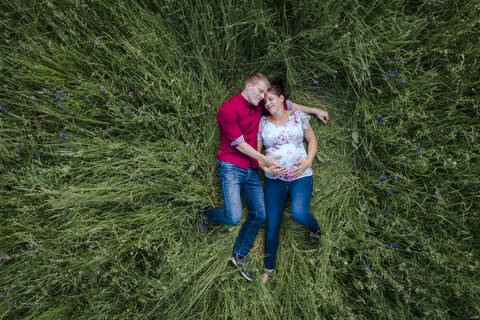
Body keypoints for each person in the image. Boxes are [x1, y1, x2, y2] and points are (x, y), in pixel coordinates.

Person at [197, 73, 328, 282]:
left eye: (267, 97)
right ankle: (204, 215)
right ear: (248, 85)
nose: (263, 99)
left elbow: (290, 106)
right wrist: (266, 164)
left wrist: (315, 110)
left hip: (261, 170)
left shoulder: (267, 107)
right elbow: (240, 145)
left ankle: (239, 256)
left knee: (263, 214)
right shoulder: (232, 110)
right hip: (236, 166)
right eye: (260, 93)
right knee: (236, 217)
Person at [256, 75, 322, 283]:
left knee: (299, 214)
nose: (267, 103)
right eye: (264, 101)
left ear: (282, 98)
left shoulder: (297, 116)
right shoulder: (262, 123)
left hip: (301, 175)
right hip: (275, 179)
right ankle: (269, 268)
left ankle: (315, 228)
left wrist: (308, 161)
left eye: (270, 99)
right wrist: (268, 168)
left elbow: (312, 140)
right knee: (272, 223)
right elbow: (258, 156)